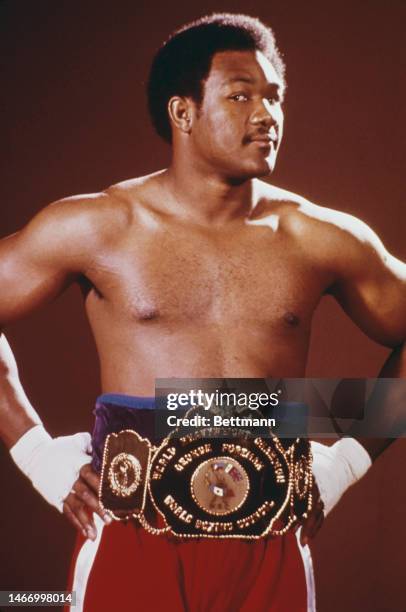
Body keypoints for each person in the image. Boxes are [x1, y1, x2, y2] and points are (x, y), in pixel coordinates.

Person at [0, 12, 405, 612]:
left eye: (274, 97)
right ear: (182, 112)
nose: (267, 115)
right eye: (242, 96)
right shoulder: (99, 226)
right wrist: (36, 454)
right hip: (130, 540)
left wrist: (344, 460)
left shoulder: (317, 237)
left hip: (271, 547)